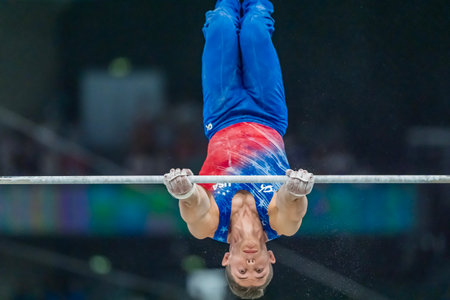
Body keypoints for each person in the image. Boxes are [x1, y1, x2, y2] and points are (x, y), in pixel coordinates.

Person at [163, 0, 314, 298]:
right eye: (259, 270)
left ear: (226, 260)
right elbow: (290, 205)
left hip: (222, 114)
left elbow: (194, 205)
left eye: (241, 271)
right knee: (256, 27)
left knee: (220, 24)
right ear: (270, 259)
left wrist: (183, 190)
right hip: (267, 114)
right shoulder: (278, 223)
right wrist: (295, 190)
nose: (250, 263)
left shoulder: (210, 225)